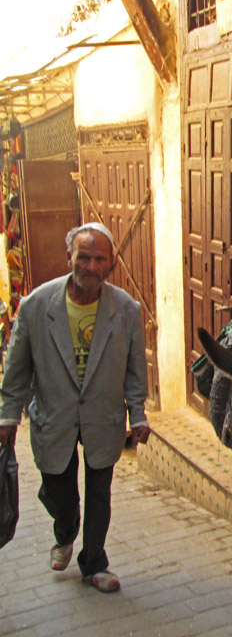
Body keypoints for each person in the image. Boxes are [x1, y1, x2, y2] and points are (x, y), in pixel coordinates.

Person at [0, 222, 151, 593]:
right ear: (70, 257)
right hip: (54, 416)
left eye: (100, 259)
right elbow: (17, 367)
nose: (91, 267)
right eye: (84, 257)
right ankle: (65, 531)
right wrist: (7, 415)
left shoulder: (127, 310)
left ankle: (94, 563)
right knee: (58, 489)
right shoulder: (37, 306)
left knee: (100, 492)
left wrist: (139, 414)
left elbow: (135, 369)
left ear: (111, 263)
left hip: (104, 417)